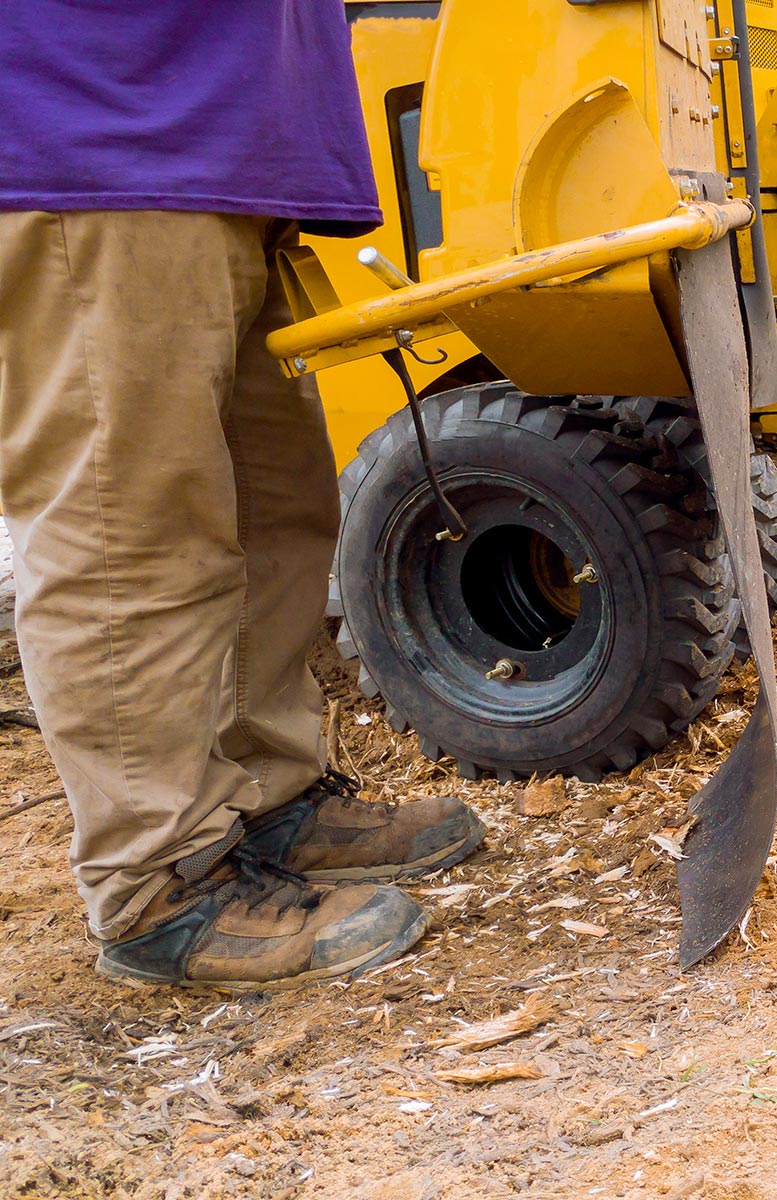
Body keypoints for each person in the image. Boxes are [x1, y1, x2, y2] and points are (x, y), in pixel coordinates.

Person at [0, 1, 484, 990]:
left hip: (228, 146)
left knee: (276, 512)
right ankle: (156, 883)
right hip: (95, 129)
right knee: (126, 530)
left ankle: (269, 796)